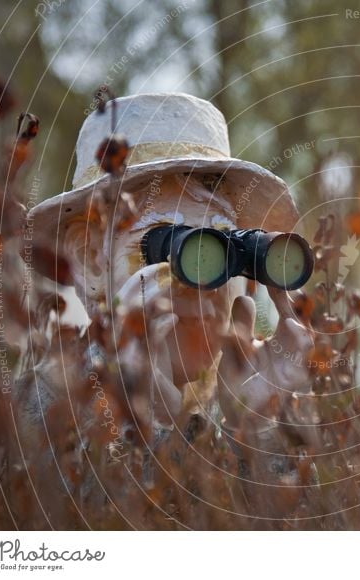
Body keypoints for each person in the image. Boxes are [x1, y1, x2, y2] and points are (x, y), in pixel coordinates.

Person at [21, 93, 314, 491]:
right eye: (167, 244)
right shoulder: (38, 407)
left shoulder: (231, 406)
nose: (203, 282)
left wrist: (258, 428)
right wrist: (141, 421)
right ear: (90, 258)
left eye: (227, 247)